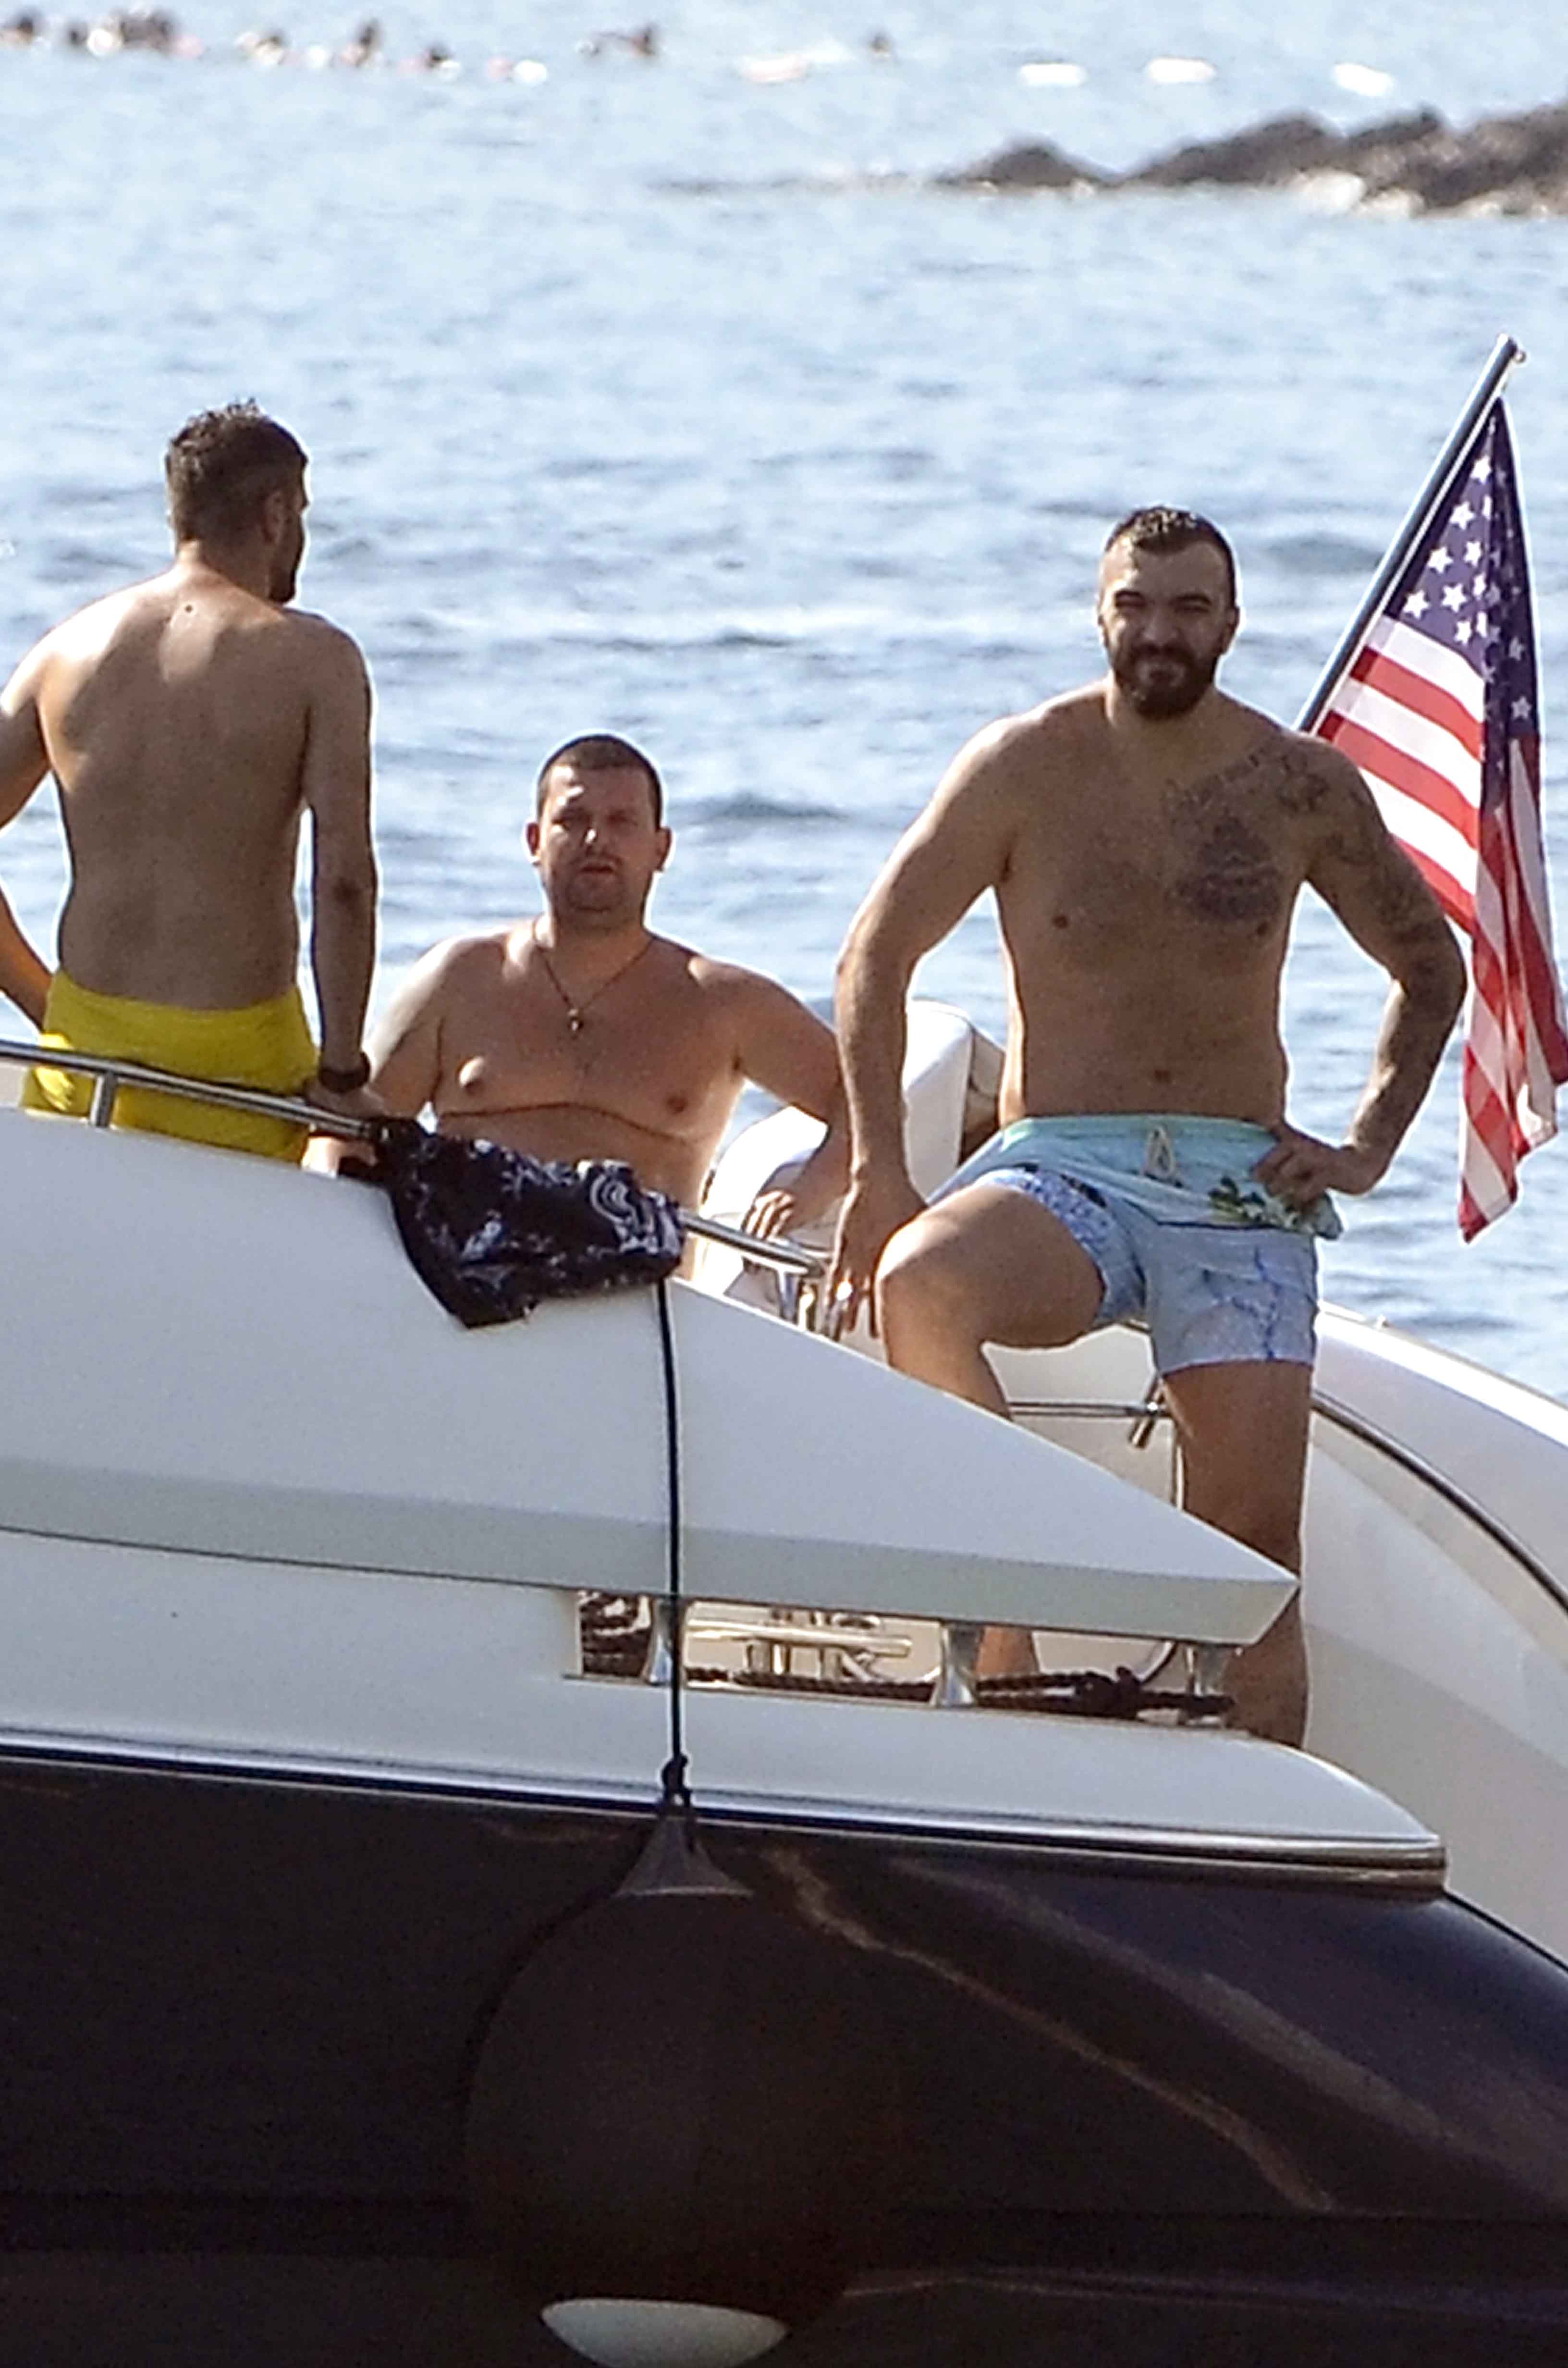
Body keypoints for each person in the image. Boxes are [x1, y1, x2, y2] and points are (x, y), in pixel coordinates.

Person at [828, 507, 1466, 1744]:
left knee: (1254, 1554)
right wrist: (877, 1166)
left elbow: (1430, 969)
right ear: (1100, 612)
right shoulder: (1023, 766)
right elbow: (874, 958)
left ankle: (1264, 1817)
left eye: (1187, 609)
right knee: (920, 1281)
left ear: (1229, 624)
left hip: (1236, 1185)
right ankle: (1006, 1640)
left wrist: (1367, 1148)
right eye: (1135, 605)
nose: (1158, 632)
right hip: (1066, 1166)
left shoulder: (1297, 784)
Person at [0, 400, 378, 1159]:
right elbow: (344, 883)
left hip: (82, 1053)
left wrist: (48, 1006)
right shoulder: (316, 662)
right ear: (275, 514)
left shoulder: (66, 650)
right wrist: (342, 1073)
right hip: (235, 1068)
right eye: (302, 514)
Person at [355, 732, 847, 1228]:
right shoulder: (459, 979)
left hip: (637, 1275)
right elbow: (354, 1129)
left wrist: (813, 1187)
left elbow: (867, 1106)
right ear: (535, 841)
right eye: (572, 820)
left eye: (621, 822)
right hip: (454, 1267)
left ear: (661, 849)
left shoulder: (723, 1004)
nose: (596, 840)